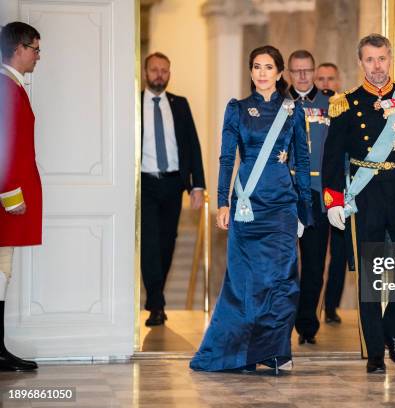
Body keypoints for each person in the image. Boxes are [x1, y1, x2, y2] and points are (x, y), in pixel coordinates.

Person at [322, 34, 395, 373]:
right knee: (370, 277)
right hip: (366, 194)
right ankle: (375, 352)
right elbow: (332, 157)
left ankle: (390, 332)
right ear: (361, 62)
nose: (377, 67)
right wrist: (334, 200)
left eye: (382, 59)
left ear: (391, 59)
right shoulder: (346, 103)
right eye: (370, 60)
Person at [190, 45, 313, 374]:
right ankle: (240, 353)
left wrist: (305, 209)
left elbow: (302, 163)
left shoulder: (293, 110)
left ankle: (275, 352)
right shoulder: (238, 109)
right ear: (250, 71)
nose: (262, 73)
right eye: (256, 67)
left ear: (279, 72)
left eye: (268, 67)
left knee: (283, 281)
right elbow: (227, 158)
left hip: (282, 208)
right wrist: (222, 202)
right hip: (247, 208)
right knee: (244, 283)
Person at [140, 52, 205, 326]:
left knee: (167, 243)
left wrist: (197, 185)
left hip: (173, 183)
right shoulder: (133, 102)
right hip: (143, 182)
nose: (159, 75)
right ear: (145, 72)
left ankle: (155, 296)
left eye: (164, 71)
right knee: (149, 244)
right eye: (154, 70)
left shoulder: (179, 104)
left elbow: (192, 144)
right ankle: (157, 303)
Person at [287, 50, 338, 344]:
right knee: (283, 263)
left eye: (308, 70)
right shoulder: (281, 104)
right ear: (289, 73)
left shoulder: (332, 104)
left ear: (314, 70)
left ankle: (307, 324)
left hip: (318, 197)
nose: (303, 76)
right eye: (297, 71)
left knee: (315, 264)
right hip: (286, 195)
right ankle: (281, 320)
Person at [0, 21, 42, 372]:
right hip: (4, 199)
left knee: (3, 272)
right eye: (35, 49)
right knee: (0, 271)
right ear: (19, 47)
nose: (38, 56)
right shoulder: (6, 87)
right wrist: (11, 195)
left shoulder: (11, 85)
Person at [314, 62, 351, 324]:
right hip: (315, 191)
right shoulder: (305, 108)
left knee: (339, 254)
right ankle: (309, 308)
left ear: (338, 81)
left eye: (331, 78)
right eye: (321, 79)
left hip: (342, 191)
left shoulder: (348, 109)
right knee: (314, 257)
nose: (326, 84)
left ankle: (331, 306)